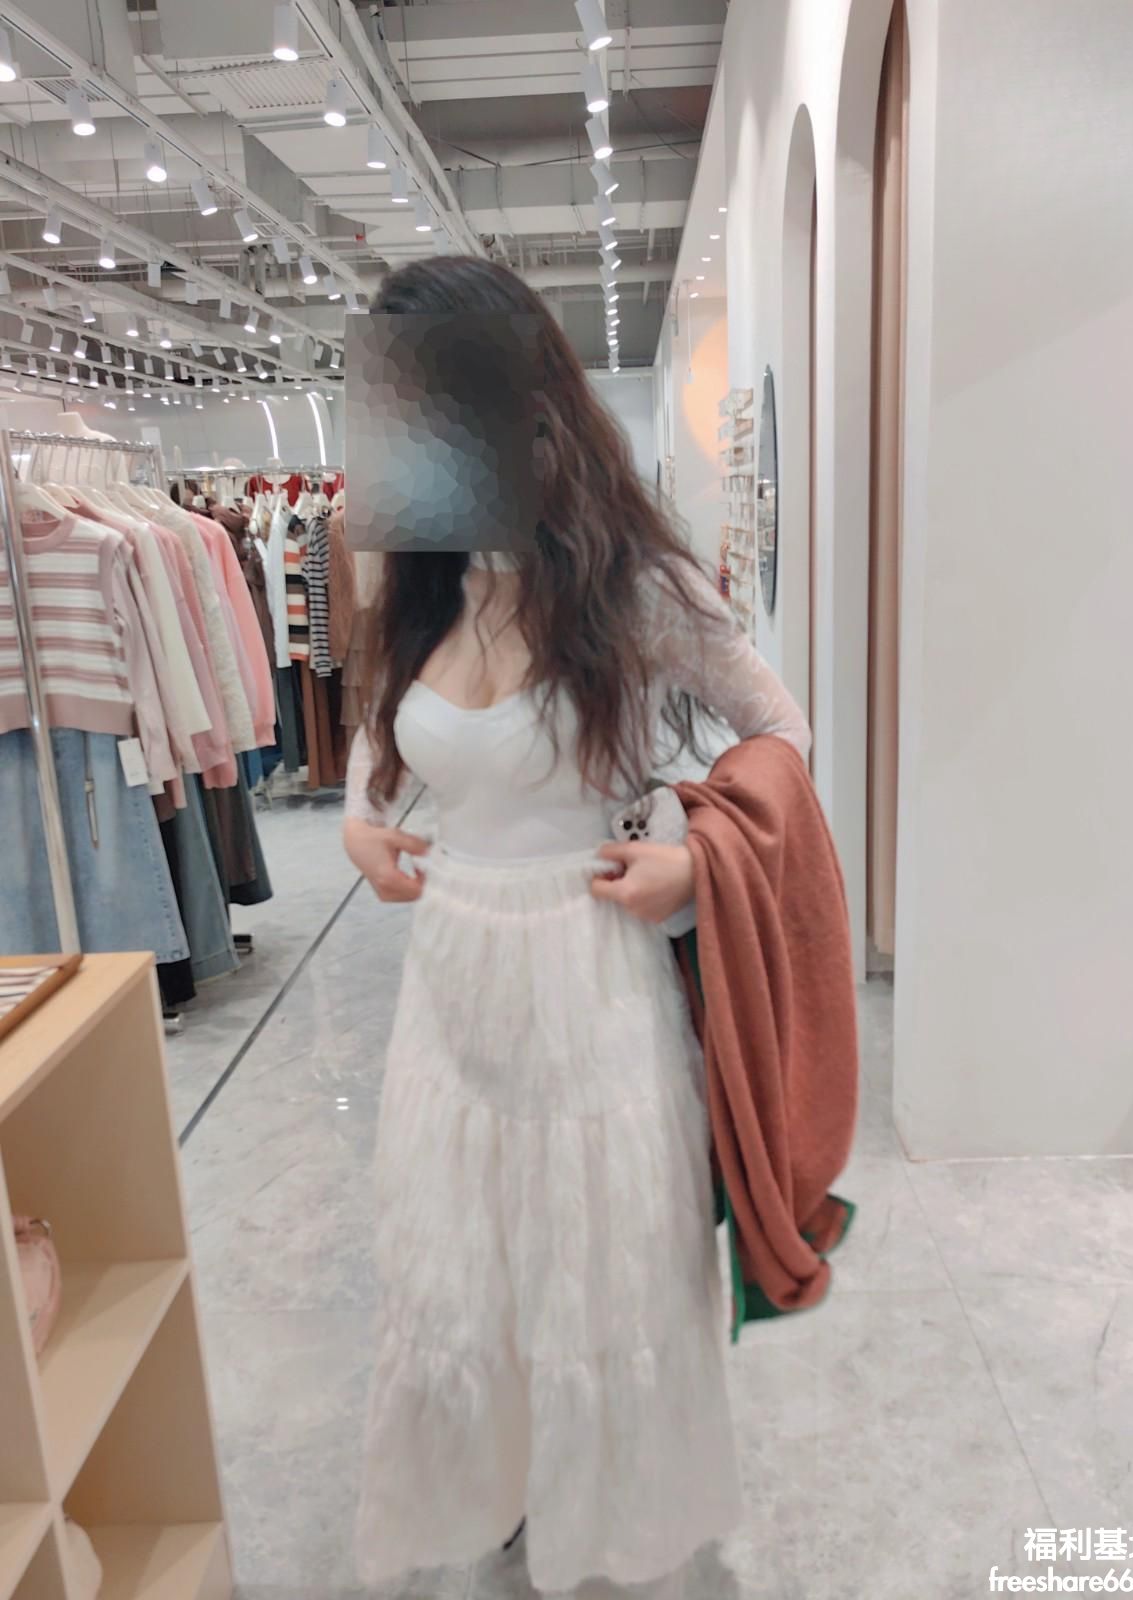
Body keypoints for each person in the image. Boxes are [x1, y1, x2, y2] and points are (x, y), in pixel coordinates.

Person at [343, 256, 812, 1600]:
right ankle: (500, 1488)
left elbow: (779, 733)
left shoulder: (637, 586)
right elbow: (389, 747)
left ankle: (605, 1518)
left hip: (593, 981)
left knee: (598, 1276)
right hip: (452, 997)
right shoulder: (418, 582)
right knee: (467, 1274)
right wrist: (366, 824)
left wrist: (696, 857)